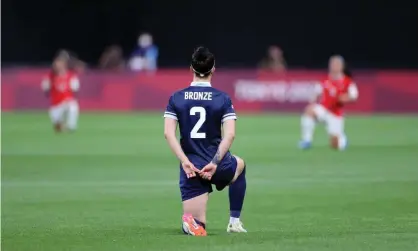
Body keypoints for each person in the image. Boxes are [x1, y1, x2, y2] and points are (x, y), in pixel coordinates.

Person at [163, 47, 247, 236]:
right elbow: (230, 135)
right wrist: (215, 163)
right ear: (213, 69)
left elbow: (169, 134)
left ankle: (191, 222)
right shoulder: (222, 99)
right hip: (217, 165)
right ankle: (234, 222)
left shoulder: (176, 98)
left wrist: (185, 161)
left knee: (198, 225)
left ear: (191, 69)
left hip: (191, 168)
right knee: (240, 166)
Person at [299, 55, 359, 150]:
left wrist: (344, 98)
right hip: (324, 109)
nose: (334, 66)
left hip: (336, 114)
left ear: (342, 66)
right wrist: (313, 100)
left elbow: (354, 96)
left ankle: (342, 139)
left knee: (335, 145)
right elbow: (316, 93)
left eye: (336, 64)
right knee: (309, 111)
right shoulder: (324, 80)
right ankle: (306, 140)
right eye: (332, 64)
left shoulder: (348, 82)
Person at [41, 51, 80, 133]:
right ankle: (62, 125)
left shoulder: (71, 76)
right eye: (57, 63)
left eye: (61, 63)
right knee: (58, 128)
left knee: (72, 105)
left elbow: (75, 90)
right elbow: (46, 91)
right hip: (56, 106)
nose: (59, 65)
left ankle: (71, 126)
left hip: (66, 103)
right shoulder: (50, 77)